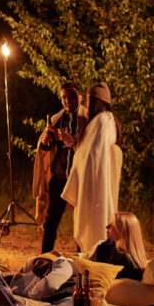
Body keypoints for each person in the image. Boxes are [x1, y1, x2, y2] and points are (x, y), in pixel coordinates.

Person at [61, 82, 123, 254]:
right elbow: (89, 149)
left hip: (96, 184)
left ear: (96, 101)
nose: (87, 105)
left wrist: (80, 158)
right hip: (95, 180)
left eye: (88, 101)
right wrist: (76, 143)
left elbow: (93, 155)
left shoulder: (103, 120)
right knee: (92, 226)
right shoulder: (102, 120)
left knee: (94, 224)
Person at [32, 82, 89, 253]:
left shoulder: (87, 119)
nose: (67, 100)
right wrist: (46, 142)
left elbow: (91, 146)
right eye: (64, 97)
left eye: (71, 96)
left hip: (79, 179)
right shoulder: (57, 119)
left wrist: (75, 141)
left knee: (81, 223)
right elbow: (48, 150)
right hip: (60, 178)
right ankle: (45, 258)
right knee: (50, 223)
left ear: (79, 97)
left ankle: (82, 259)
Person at [91, 211, 147, 280]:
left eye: (112, 225)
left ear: (122, 230)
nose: (107, 226)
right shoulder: (108, 247)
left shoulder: (125, 262)